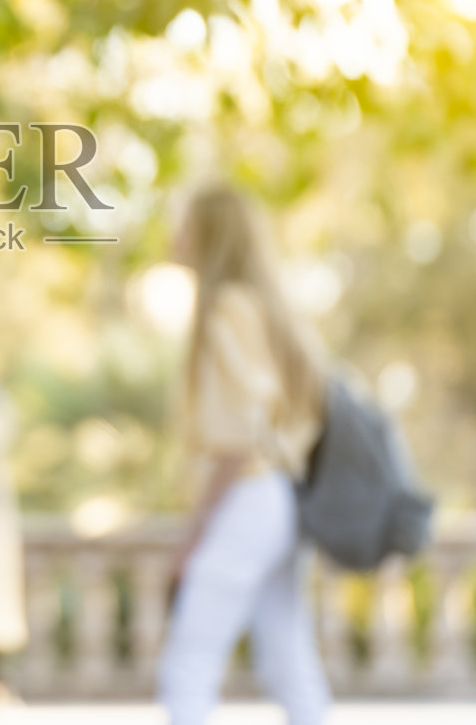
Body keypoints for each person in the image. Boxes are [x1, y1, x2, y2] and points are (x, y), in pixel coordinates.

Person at [157, 185, 331, 725]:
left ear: (209, 234)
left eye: (184, 223)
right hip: (280, 499)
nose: (174, 235)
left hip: (250, 497)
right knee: (288, 659)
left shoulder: (224, 309)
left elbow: (235, 438)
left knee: (189, 660)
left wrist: (193, 537)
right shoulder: (266, 308)